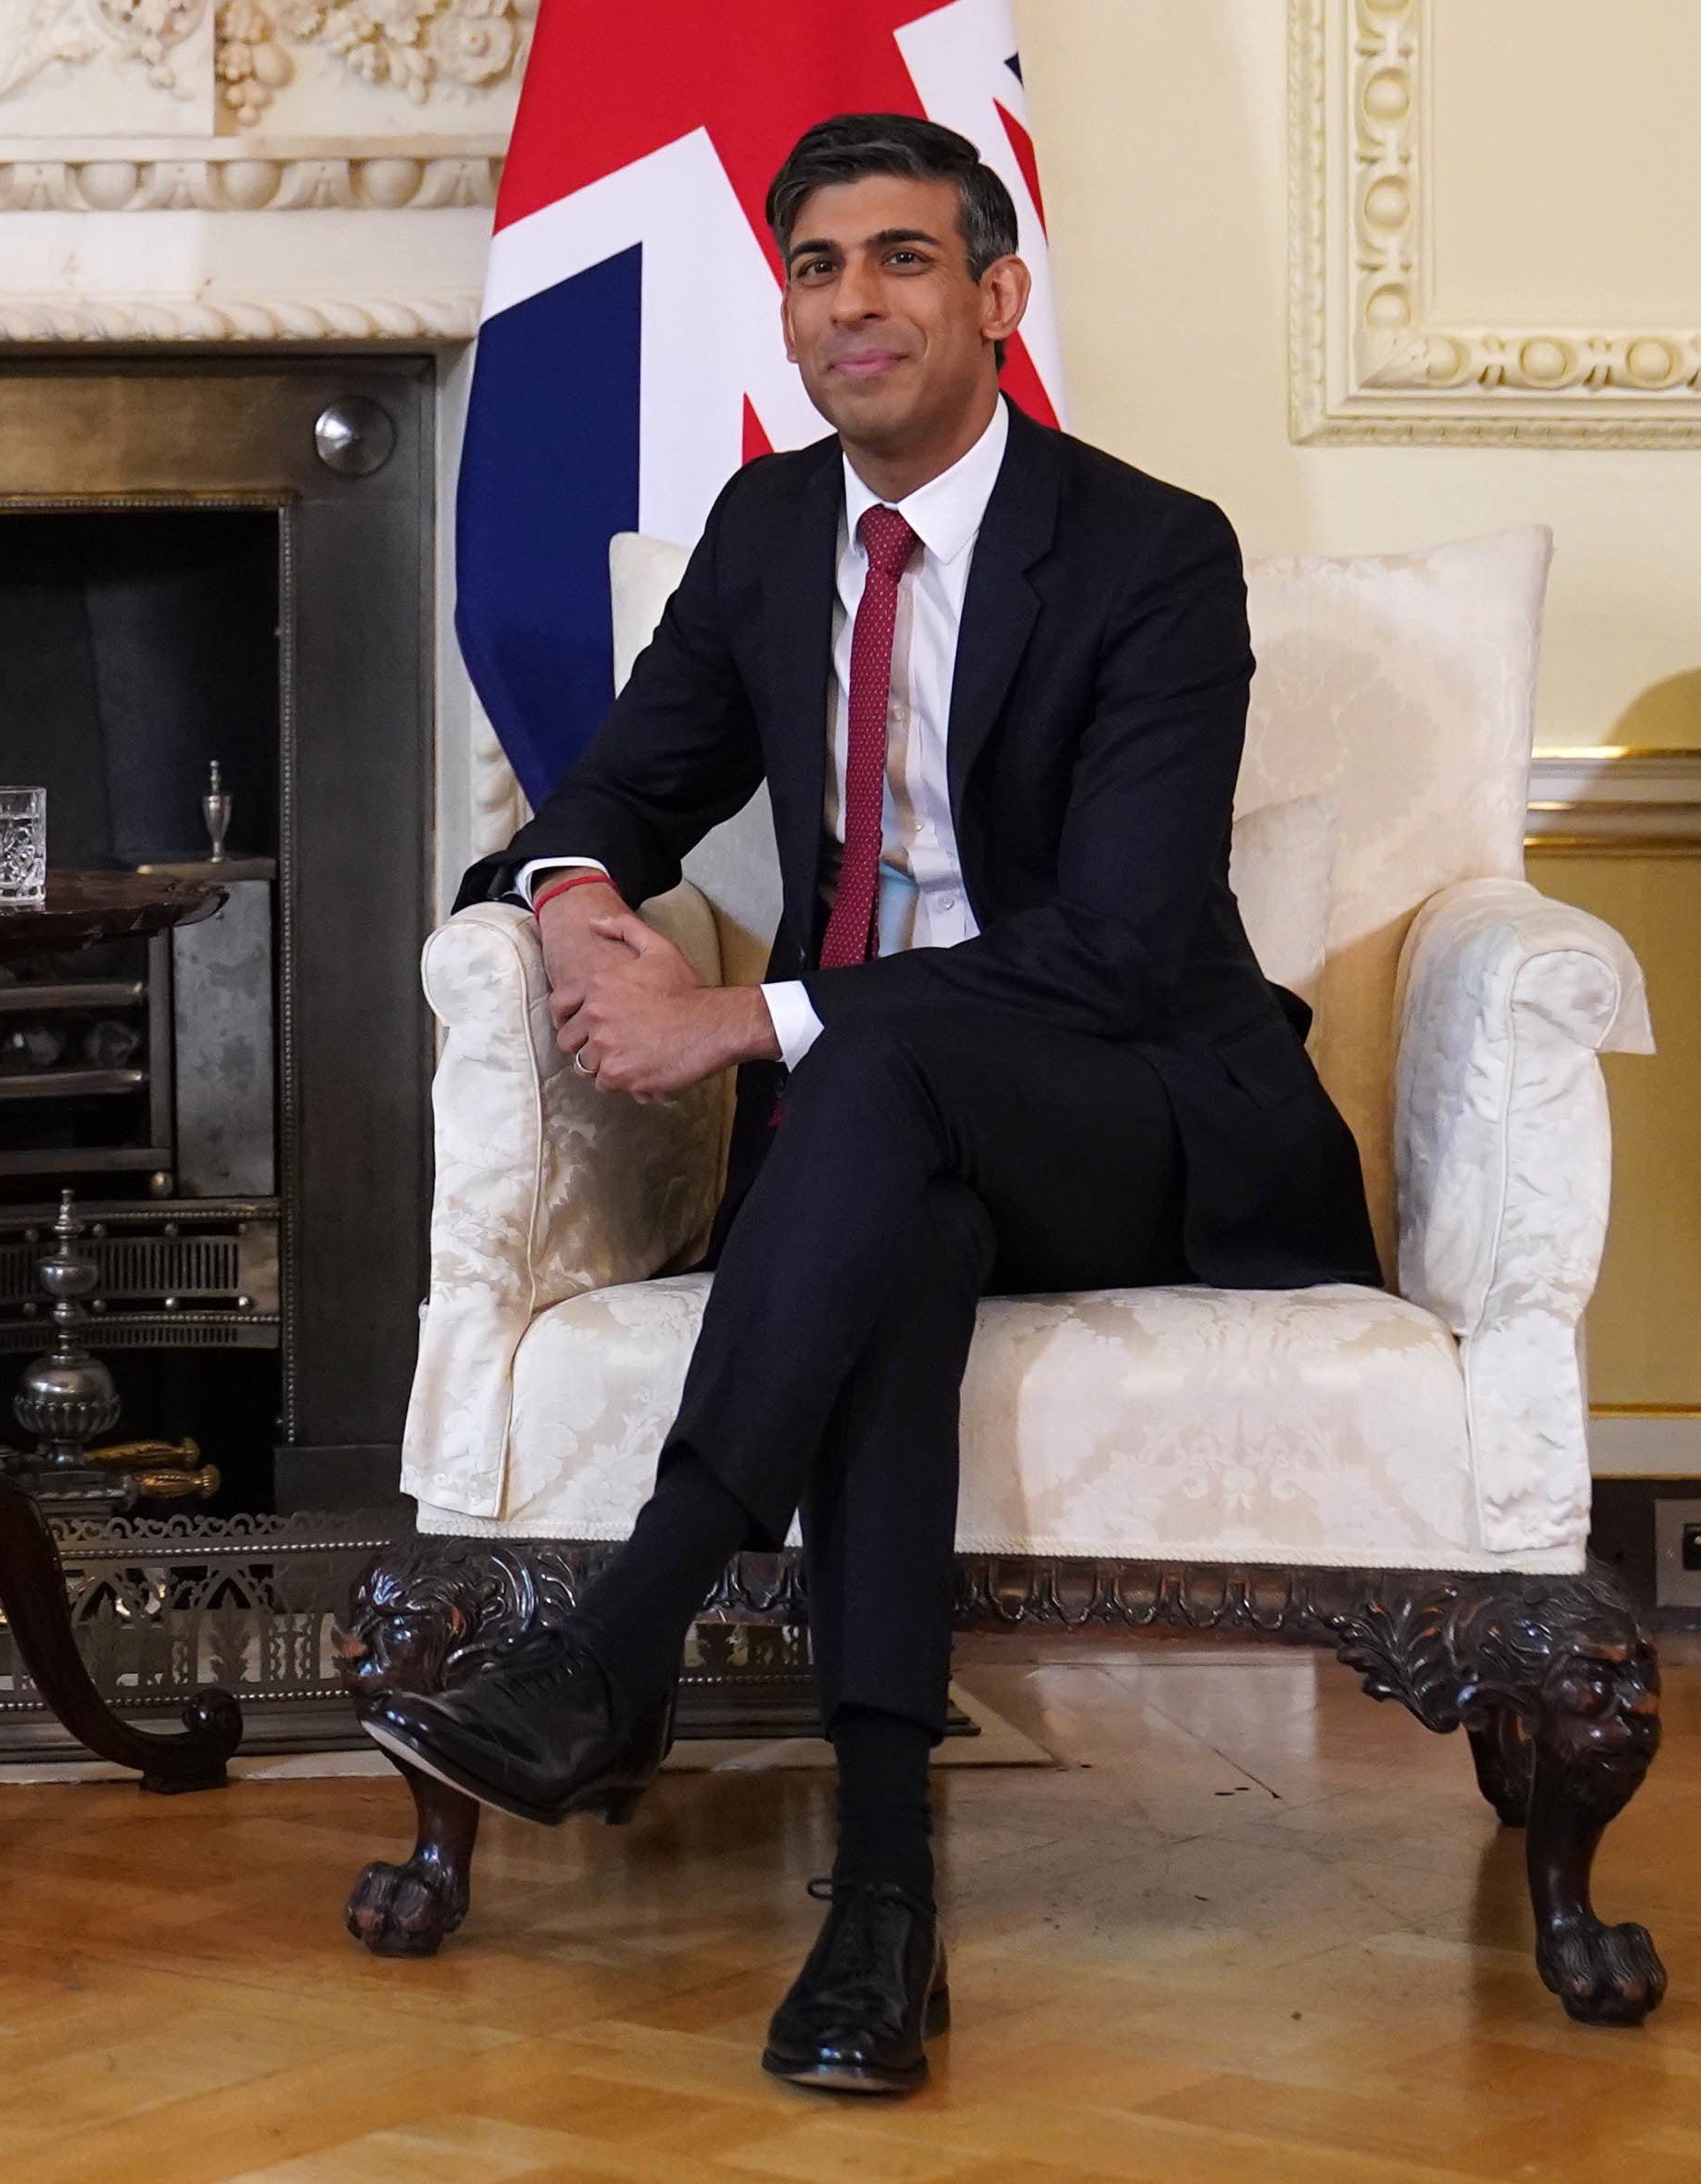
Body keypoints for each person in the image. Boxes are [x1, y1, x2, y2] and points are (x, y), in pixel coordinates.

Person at [364, 112, 1377, 2097]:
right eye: (818, 266)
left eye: (903, 259)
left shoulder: (1147, 550)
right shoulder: (764, 531)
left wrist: (739, 1026)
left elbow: (1108, 942)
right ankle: (880, 1905)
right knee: (890, 1192)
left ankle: (622, 1628)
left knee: (874, 1061)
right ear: (787, 309)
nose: (856, 302)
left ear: (992, 297)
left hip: (1132, 1111)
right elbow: (618, 784)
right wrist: (571, 911)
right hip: (885, 1142)